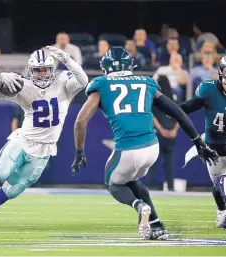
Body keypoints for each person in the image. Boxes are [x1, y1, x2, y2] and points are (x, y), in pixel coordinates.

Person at [71, 46, 218, 240]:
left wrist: (79, 151)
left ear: (106, 67)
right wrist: (198, 141)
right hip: (152, 147)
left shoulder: (101, 84)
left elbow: (81, 121)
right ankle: (157, 224)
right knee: (131, 180)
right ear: (130, 66)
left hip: (128, 149)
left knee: (113, 183)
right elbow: (177, 112)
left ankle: (139, 207)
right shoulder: (146, 82)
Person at [0, 46, 88, 228]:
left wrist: (67, 59)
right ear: (31, 71)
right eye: (38, 70)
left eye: (46, 69)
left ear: (52, 69)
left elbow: (83, 79)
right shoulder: (23, 85)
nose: (42, 74)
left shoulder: (63, 83)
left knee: (11, 191)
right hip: (23, 141)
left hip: (44, 150)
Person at [180, 56, 226, 229]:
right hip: (213, 148)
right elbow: (189, 106)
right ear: (221, 72)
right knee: (218, 185)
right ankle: (222, 211)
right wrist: (174, 110)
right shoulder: (209, 89)